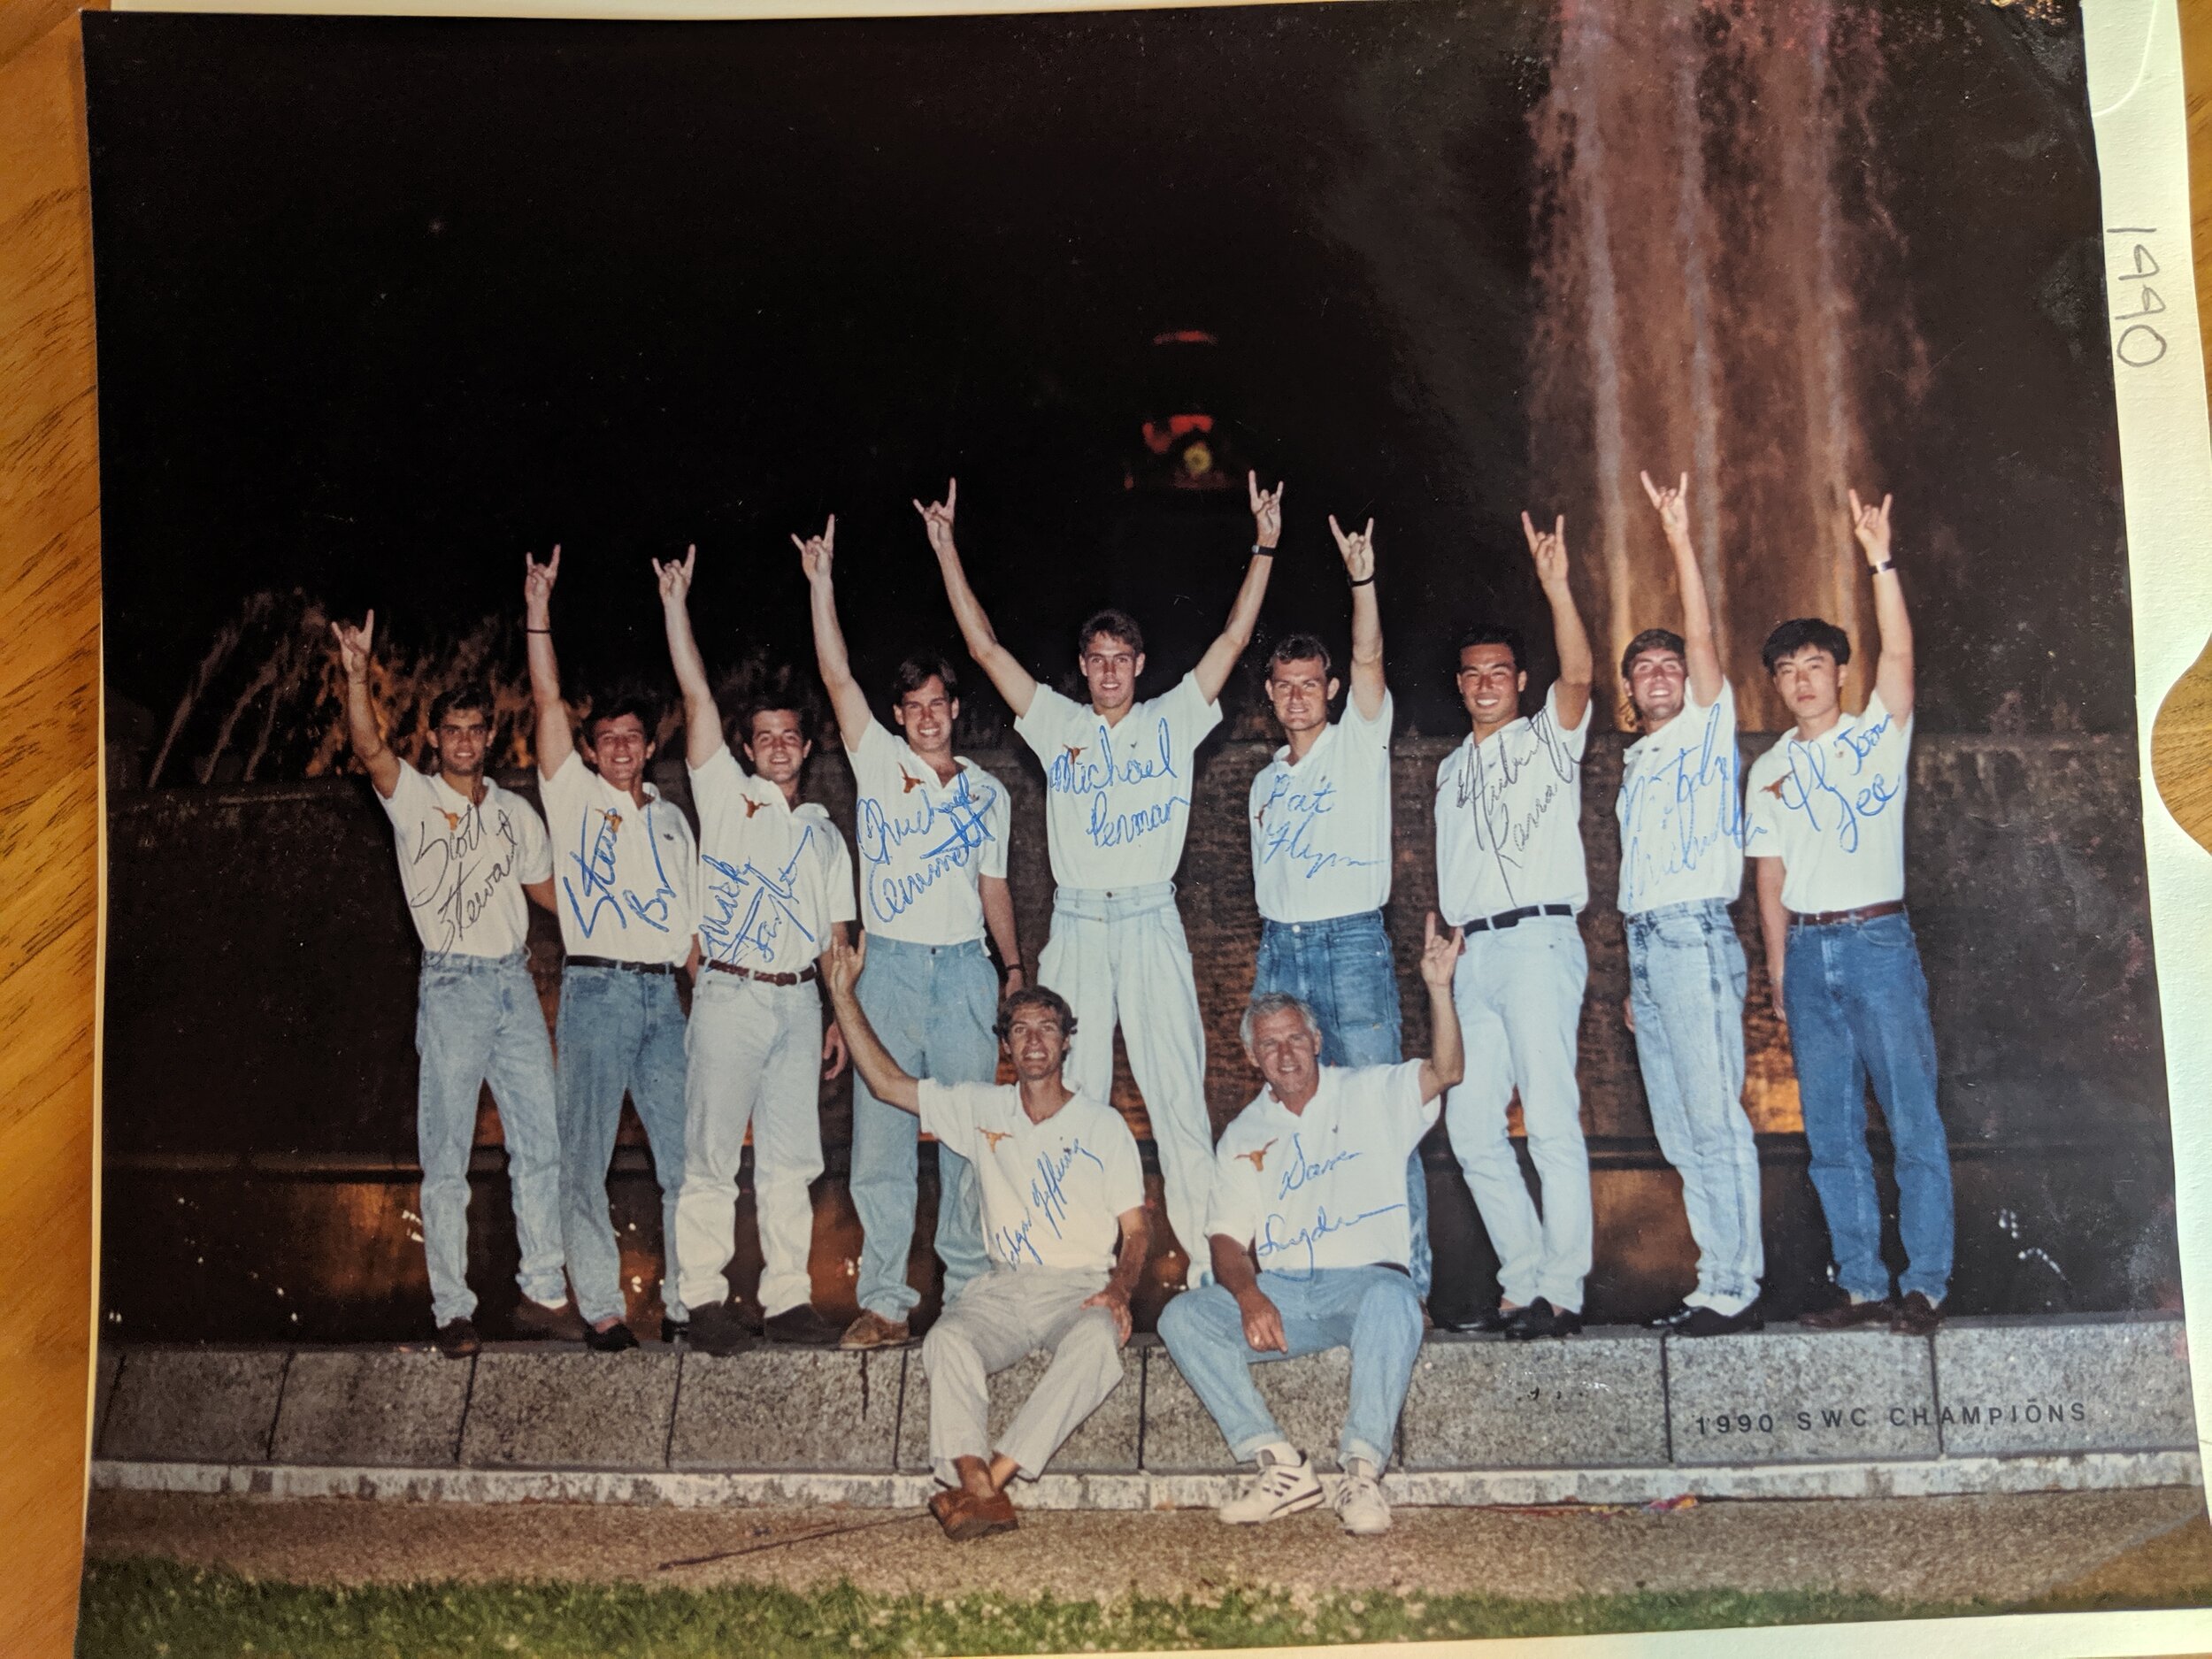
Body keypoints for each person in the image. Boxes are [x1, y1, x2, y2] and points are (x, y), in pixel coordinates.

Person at [919, 473, 1278, 1286]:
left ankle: (1209, 1275)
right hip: (1079, 924)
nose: (1110, 671)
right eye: (1097, 660)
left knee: (1178, 1095)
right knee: (1062, 1099)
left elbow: (1227, 642)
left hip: (1151, 919)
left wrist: (1263, 545)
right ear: (1081, 668)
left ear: (1140, 665)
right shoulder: (1060, 724)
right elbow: (984, 649)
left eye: (1123, 659)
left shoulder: (1171, 720)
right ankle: (1069, 1265)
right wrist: (945, 548)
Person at [826, 936, 1147, 1542]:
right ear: (1004, 1044)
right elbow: (889, 1083)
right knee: (946, 1339)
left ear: (1066, 1040)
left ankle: (991, 1480)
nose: (1033, 1040)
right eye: (1020, 1029)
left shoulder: (1102, 1125)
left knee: (1100, 1344)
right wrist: (843, 995)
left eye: (1047, 1028)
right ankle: (975, 1478)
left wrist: (1121, 1289)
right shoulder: (982, 1107)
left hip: (1077, 1286)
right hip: (1002, 1285)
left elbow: (1136, 1229)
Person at [1156, 917, 1465, 1536]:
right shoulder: (1244, 1131)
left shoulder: (1372, 1091)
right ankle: (1279, 1464)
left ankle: (1361, 1471)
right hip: (1289, 1294)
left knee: (1394, 1297)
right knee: (1181, 1317)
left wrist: (1439, 988)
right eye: (1269, 1045)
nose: (1285, 1054)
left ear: (1317, 1039)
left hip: (1363, 1288)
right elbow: (1225, 1238)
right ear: (1251, 1056)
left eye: (1295, 1038)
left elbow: (1447, 1071)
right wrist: (1248, 1294)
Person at [800, 516, 1022, 1351]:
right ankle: (887, 1298)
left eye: (940, 704)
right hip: (887, 967)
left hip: (965, 970)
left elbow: (992, 886)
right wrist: (822, 580)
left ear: (956, 709)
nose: (928, 718)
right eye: (914, 707)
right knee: (882, 1138)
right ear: (899, 715)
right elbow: (833, 671)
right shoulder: (880, 763)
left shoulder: (990, 795)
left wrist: (1011, 967)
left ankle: (965, 1293)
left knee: (968, 1133)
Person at [331, 612, 575, 1358]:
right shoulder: (412, 798)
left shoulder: (515, 813)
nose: (466, 741)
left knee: (541, 1139)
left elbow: (554, 898)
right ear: (435, 738)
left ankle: (544, 1289)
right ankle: (452, 1309)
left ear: (490, 738)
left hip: (512, 983)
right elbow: (368, 744)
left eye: (477, 729)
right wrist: (355, 671)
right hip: (453, 987)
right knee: (447, 1155)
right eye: (454, 731)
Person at [1746, 489, 1953, 1337]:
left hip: (1876, 939)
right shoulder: (1765, 769)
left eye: (1815, 665)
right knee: (1829, 1132)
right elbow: (1769, 875)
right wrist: (1777, 966)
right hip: (1810, 951)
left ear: (1838, 672)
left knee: (1910, 1115)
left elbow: (1900, 652)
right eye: (1787, 670)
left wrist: (1880, 558)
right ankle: (1863, 1282)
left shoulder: (1876, 735)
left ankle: (1926, 1284)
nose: (1802, 680)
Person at [657, 540, 855, 1353]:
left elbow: (839, 942)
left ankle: (786, 1298)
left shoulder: (825, 836)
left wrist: (840, 1017)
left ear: (807, 747)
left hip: (799, 1001)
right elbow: (696, 693)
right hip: (732, 991)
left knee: (789, 1160)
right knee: (710, 1153)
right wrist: (676, 606)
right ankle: (700, 1297)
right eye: (763, 735)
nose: (776, 745)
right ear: (746, 747)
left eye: (790, 737)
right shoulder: (724, 796)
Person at [1247, 512, 1432, 1299]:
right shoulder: (1262, 783)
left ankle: (1408, 1281)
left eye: (1309, 684)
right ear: (1270, 693)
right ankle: (1302, 1267)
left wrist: (1363, 579)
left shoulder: (1360, 739)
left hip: (1352, 943)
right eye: (1284, 685)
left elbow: (1369, 653)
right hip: (1279, 951)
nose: (1297, 697)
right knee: (1282, 1113)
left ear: (1329, 690)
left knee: (1378, 1110)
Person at [523, 546, 699, 1351]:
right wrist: (539, 609)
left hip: (664, 998)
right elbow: (548, 694)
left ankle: (687, 1299)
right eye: (607, 739)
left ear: (646, 746)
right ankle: (599, 1303)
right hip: (594, 992)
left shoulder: (672, 819)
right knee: (581, 1152)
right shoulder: (572, 796)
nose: (621, 747)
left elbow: (693, 932)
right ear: (590, 751)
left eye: (633, 736)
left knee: (686, 1156)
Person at [1432, 511, 1597, 1340]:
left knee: (1552, 1116)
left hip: (1537, 940)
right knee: (1469, 1126)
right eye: (1473, 673)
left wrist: (1556, 585)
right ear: (1460, 684)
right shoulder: (1449, 768)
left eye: (1501, 671)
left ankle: (1563, 1289)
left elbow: (1581, 671)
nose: (1487, 683)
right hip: (1474, 955)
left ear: (1520, 681)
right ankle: (1522, 1276)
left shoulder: (1548, 742)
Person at [1615, 472, 1763, 1336]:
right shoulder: (1638, 761)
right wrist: (1634, 973)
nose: (1663, 673)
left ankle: (1735, 1284)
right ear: (1631, 690)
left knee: (1713, 1119)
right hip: (1651, 945)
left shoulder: (1709, 729)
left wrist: (1676, 534)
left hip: (1696, 939)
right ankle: (1715, 1277)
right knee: (1677, 1131)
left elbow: (1704, 637)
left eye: (1671, 665)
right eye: (1646, 668)